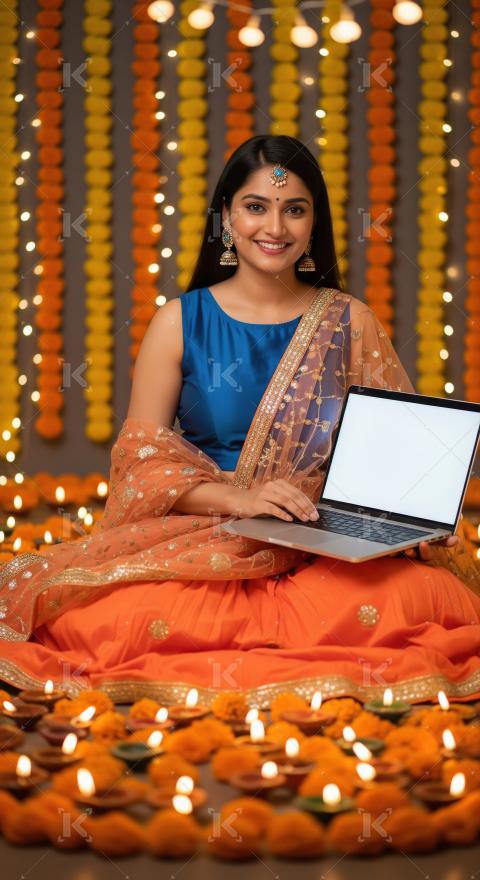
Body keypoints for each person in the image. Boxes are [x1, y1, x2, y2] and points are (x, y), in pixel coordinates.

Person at [1, 134, 480, 706]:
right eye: (256, 207)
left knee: (426, 593)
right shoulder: (180, 321)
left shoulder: (348, 321)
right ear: (227, 217)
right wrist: (242, 499)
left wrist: (410, 514)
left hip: (322, 542)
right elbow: (140, 471)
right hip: (212, 534)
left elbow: (393, 458)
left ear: (312, 223)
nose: (274, 227)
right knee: (113, 617)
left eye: (294, 209)